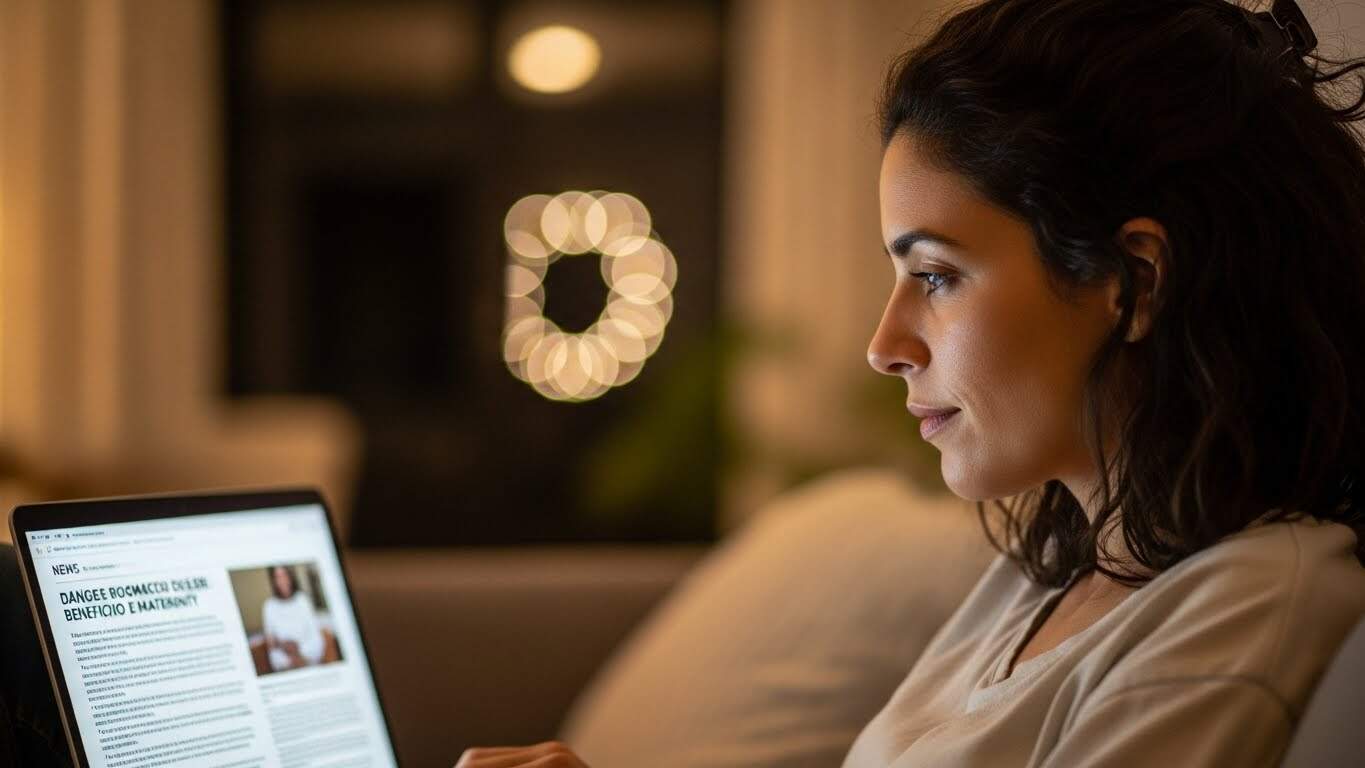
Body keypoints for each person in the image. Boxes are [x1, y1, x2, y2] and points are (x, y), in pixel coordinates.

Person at [456, 0, 1365, 765]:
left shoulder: (1240, 612)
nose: (884, 344)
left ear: (1132, 283)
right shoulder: (1048, 575)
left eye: (933, 276)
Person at [261, 565, 326, 672]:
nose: (282, 580)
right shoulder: (269, 606)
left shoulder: (302, 600)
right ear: (273, 581)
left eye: (284, 575)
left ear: (290, 576)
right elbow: (270, 641)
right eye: (278, 577)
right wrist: (285, 647)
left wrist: (299, 654)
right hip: (284, 657)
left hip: (307, 654)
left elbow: (315, 635)